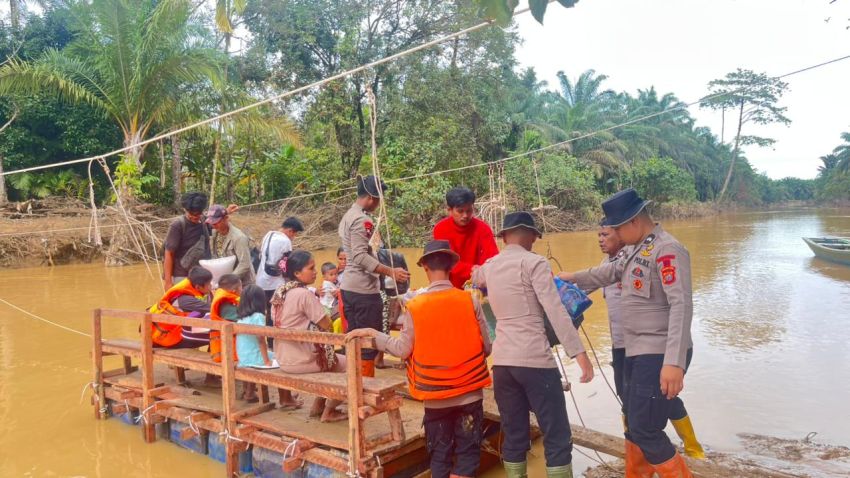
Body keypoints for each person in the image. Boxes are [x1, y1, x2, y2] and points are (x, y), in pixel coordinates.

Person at [560, 188, 697, 477]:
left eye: (618, 228)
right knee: (634, 422)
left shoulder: (668, 249)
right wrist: (572, 277)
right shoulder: (637, 248)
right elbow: (608, 273)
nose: (617, 235)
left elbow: (681, 305)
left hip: (659, 351)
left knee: (645, 428)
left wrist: (674, 362)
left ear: (634, 221)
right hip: (636, 350)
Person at [348, 240, 492, 478]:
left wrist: (373, 334)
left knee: (440, 456)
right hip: (470, 393)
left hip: (435, 398)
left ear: (425, 267)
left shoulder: (415, 306)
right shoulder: (470, 300)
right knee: (467, 455)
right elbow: (486, 347)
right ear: (452, 266)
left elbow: (402, 350)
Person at [472, 212, 594, 478]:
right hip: (535, 361)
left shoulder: (488, 267)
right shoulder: (534, 263)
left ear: (504, 237)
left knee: (514, 434)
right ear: (529, 235)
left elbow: (475, 277)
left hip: (503, 366)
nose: (534, 242)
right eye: (534, 237)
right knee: (557, 434)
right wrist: (579, 353)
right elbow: (555, 310)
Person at [338, 175, 410, 377]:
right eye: (379, 199)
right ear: (371, 197)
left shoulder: (348, 215)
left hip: (349, 289)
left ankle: (354, 385)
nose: (379, 204)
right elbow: (360, 256)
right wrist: (390, 271)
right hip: (363, 291)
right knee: (367, 344)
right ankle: (363, 387)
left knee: (354, 341)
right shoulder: (362, 220)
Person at [272, 250, 347, 420]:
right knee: (352, 364)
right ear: (297, 273)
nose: (315, 272)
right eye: (311, 268)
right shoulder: (304, 294)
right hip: (302, 360)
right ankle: (329, 411)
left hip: (283, 358)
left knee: (335, 361)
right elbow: (326, 324)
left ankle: (318, 406)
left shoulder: (280, 292)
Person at [432, 187, 499, 289]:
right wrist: (473, 270)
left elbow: (493, 259)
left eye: (469, 210)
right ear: (449, 210)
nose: (465, 215)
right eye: (460, 211)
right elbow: (446, 261)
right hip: (451, 288)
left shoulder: (483, 228)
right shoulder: (440, 229)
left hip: (480, 286)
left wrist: (481, 272)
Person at [148, 266, 213, 348]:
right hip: (168, 338)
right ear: (198, 287)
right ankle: (216, 355)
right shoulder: (186, 300)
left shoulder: (186, 289)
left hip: (167, 332)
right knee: (217, 333)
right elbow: (214, 309)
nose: (211, 286)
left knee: (211, 328)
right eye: (208, 284)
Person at [256, 217, 305, 316]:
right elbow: (286, 264)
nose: (294, 237)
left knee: (264, 312)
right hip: (275, 284)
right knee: (276, 312)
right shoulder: (285, 241)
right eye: (295, 234)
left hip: (261, 280)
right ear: (290, 231)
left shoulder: (269, 234)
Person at [163, 192, 210, 290]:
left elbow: (217, 221)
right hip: (182, 276)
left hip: (202, 275)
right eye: (191, 213)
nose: (194, 216)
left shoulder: (204, 221)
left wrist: (226, 212)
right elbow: (169, 253)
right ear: (185, 209)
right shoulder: (178, 226)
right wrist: (168, 282)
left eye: (198, 214)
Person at [236, 284, 273, 403]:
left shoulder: (241, 317)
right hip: (254, 357)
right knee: (279, 357)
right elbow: (261, 340)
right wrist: (266, 361)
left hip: (243, 357)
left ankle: (249, 392)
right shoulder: (258, 316)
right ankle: (286, 397)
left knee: (266, 355)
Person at [208, 204, 255, 286]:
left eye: (216, 223)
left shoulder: (239, 238)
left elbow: (245, 264)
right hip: (225, 280)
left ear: (226, 218)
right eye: (211, 223)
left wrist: (228, 280)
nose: (213, 225)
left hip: (242, 283)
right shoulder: (215, 233)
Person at [209, 274, 242, 363]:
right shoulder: (227, 304)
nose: (242, 290)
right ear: (234, 290)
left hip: (221, 351)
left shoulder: (221, 298)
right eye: (241, 287)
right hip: (229, 354)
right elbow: (239, 322)